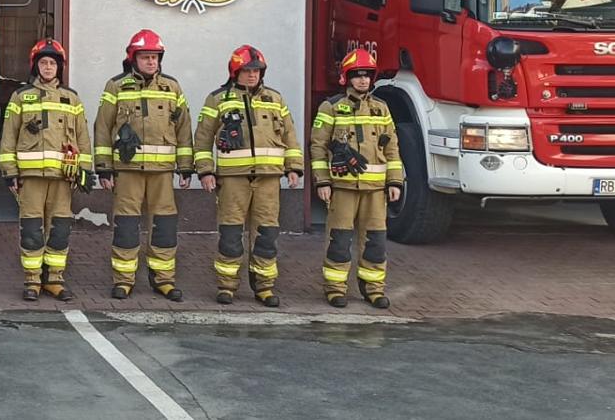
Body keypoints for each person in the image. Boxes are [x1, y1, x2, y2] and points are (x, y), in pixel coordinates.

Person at [193, 45, 304, 307]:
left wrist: (294, 167)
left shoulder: (275, 99)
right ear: (235, 71)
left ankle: (264, 287)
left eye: (256, 70)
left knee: (266, 234)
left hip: (268, 179)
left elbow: (290, 136)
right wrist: (205, 171)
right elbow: (202, 139)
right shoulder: (217, 99)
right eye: (247, 70)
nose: (252, 75)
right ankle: (226, 286)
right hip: (233, 179)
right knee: (231, 234)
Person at [93, 29, 195, 301]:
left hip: (162, 173)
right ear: (133, 58)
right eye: (146, 57)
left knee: (164, 227)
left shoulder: (172, 87)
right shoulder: (115, 86)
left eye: (155, 57)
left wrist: (186, 166)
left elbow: (184, 128)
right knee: (126, 226)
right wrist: (103, 167)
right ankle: (123, 280)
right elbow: (103, 127)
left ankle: (163, 280)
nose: (151, 62)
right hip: (128, 172)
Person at [0, 38, 93, 302]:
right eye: (44, 62)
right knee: (31, 229)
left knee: (60, 229)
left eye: (53, 63)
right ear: (36, 66)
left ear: (59, 67)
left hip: (63, 178)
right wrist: (9, 172)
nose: (49, 67)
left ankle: (55, 279)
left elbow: (83, 138)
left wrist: (84, 169)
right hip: (30, 179)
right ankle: (31, 281)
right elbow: (8, 137)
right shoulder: (20, 97)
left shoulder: (72, 98)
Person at [310, 48, 404, 309]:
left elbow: (392, 148)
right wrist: (323, 181)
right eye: (357, 75)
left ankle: (373, 289)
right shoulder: (331, 107)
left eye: (367, 76)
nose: (363, 80)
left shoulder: (382, 108)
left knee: (375, 242)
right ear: (346, 77)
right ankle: (335, 288)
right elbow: (318, 146)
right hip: (342, 187)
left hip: (376, 190)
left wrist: (395, 181)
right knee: (339, 240)